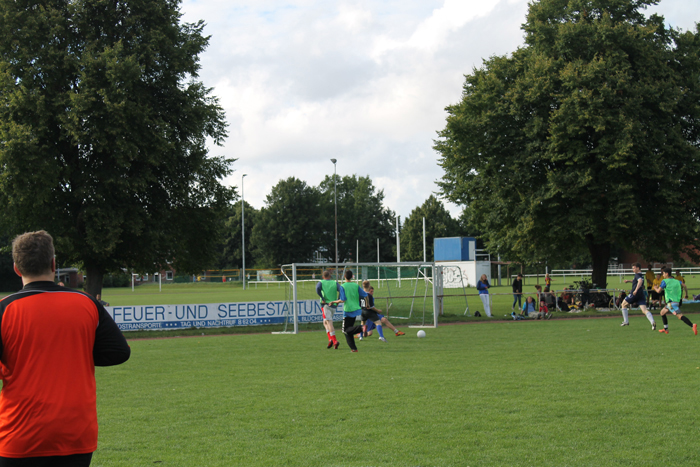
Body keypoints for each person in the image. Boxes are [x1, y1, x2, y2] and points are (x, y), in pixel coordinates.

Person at [0, 231, 130, 466]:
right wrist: (75, 354)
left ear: (17, 269)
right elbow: (119, 352)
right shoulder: (87, 302)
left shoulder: (4, 309)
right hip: (75, 433)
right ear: (53, 264)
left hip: (19, 434)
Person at [331, 270, 370, 352]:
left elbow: (342, 300)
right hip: (356, 309)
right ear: (352, 276)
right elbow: (365, 295)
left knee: (345, 330)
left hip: (348, 310)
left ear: (344, 276)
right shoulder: (356, 285)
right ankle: (354, 349)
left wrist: (334, 301)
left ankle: (362, 327)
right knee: (349, 330)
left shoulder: (343, 286)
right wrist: (367, 304)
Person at [655, 267, 696, 335]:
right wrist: (686, 294)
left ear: (667, 274)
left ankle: (692, 325)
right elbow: (685, 286)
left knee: (680, 316)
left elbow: (658, 291)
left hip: (671, 303)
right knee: (662, 312)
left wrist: (655, 288)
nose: (663, 275)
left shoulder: (664, 281)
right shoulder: (677, 281)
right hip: (676, 302)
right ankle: (665, 329)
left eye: (663, 273)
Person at [620, 262, 656, 330]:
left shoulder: (637, 275)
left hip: (634, 294)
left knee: (623, 304)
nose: (633, 269)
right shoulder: (641, 275)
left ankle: (626, 321)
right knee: (644, 310)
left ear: (638, 268)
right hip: (641, 295)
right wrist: (628, 281)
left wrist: (636, 290)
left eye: (634, 268)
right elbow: (636, 280)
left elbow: (640, 281)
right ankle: (652, 322)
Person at [316, 269, 340, 349]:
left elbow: (317, 289)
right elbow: (341, 290)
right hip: (334, 305)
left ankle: (334, 340)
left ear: (323, 277)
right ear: (330, 276)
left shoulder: (321, 282)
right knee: (325, 322)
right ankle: (330, 339)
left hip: (326, 305)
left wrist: (322, 298)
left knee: (329, 322)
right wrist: (338, 300)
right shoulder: (335, 283)